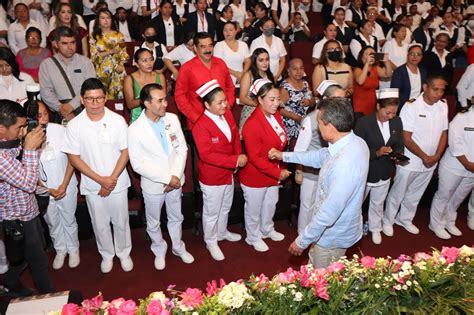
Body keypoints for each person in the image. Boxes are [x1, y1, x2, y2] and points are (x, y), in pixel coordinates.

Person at [268, 97, 369, 268]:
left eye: (319, 123)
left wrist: (302, 240)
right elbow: (320, 156)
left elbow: (329, 212)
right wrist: (284, 155)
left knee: (323, 282)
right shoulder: (355, 142)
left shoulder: (344, 164)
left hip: (332, 237)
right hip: (334, 231)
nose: (317, 127)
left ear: (330, 126)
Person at [62, 78, 133, 273]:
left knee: (121, 220)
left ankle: (124, 252)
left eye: (99, 98)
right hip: (92, 184)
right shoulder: (75, 125)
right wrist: (101, 180)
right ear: (82, 99)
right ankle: (107, 254)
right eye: (90, 99)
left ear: (105, 97)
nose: (95, 103)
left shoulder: (117, 120)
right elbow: (74, 158)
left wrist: (110, 179)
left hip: (117, 181)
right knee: (99, 223)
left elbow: (125, 152)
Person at [127, 83, 194, 270]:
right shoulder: (134, 129)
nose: (165, 103)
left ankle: (178, 247)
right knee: (154, 221)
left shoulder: (172, 118)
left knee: (176, 216)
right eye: (160, 100)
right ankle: (158, 248)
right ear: (147, 104)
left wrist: (175, 176)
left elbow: (182, 148)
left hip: (176, 180)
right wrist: (167, 178)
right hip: (154, 185)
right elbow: (138, 164)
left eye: (165, 99)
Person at [0, 99, 54, 296]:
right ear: (1, 129)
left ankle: (9, 279)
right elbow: (28, 183)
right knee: (38, 261)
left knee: (29, 253)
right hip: (16, 218)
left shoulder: (8, 141)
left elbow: (24, 165)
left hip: (29, 210)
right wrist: (30, 149)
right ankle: (50, 299)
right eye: (19, 127)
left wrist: (29, 145)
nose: (23, 132)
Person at [383, 74, 448, 236]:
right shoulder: (411, 106)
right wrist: (425, 156)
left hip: (431, 160)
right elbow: (406, 137)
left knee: (416, 193)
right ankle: (388, 220)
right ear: (425, 87)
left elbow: (444, 133)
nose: (439, 93)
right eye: (435, 89)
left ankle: (404, 219)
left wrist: (437, 156)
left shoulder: (443, 105)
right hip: (411, 160)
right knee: (398, 192)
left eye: (442, 90)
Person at [192, 79, 246, 261]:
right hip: (212, 176)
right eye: (220, 102)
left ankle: (222, 232)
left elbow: (235, 139)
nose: (225, 105)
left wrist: (238, 158)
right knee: (211, 211)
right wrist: (235, 160)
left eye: (225, 100)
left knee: (225, 207)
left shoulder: (228, 114)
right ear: (207, 105)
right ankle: (211, 240)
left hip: (229, 172)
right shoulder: (200, 126)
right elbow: (207, 155)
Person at [240, 79, 290, 253]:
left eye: (277, 99)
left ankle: (267, 229)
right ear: (260, 100)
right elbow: (254, 158)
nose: (276, 103)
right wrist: (277, 173)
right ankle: (252, 236)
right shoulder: (252, 124)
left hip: (273, 171)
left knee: (270, 203)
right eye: (271, 99)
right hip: (256, 176)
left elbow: (280, 141)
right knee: (254, 209)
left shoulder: (275, 115)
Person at [293, 80, 345, 234]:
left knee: (322, 205)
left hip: (331, 171)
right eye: (338, 99)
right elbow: (300, 149)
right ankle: (303, 234)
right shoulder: (311, 119)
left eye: (344, 99)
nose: (343, 103)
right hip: (311, 172)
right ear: (327, 99)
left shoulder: (342, 118)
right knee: (307, 205)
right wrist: (299, 171)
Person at [354, 88, 404, 244]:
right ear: (378, 107)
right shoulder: (364, 123)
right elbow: (356, 151)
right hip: (367, 171)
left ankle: (375, 228)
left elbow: (398, 143)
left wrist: (397, 154)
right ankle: (354, 228)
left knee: (378, 203)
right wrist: (377, 152)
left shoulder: (396, 121)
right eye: (387, 112)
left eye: (393, 113)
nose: (391, 116)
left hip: (385, 170)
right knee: (356, 204)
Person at [36, 101, 79, 269]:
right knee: (52, 221)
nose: (44, 118)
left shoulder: (60, 130)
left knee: (69, 219)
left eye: (45, 113)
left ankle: (74, 249)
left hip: (65, 184)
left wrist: (64, 184)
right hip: (43, 189)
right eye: (39, 115)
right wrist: (47, 189)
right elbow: (28, 167)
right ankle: (60, 250)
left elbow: (72, 159)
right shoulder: (26, 136)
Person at [429, 106, 474, 239]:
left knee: (459, 197)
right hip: (454, 165)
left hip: (472, 169)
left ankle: (449, 221)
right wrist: (467, 163)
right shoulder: (462, 118)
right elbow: (455, 142)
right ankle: (436, 224)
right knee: (444, 195)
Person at [175, 32, 235, 129]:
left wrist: (229, 104)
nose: (208, 50)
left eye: (210, 46)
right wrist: (196, 117)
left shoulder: (221, 63)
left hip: (224, 118)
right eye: (203, 47)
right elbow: (180, 97)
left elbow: (230, 86)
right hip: (199, 123)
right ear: (195, 48)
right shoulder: (187, 68)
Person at [39, 26, 96, 123]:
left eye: (73, 42)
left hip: (84, 109)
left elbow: (90, 88)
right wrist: (61, 109)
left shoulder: (85, 62)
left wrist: (71, 106)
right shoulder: (46, 64)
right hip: (58, 113)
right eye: (64, 43)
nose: (70, 47)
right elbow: (45, 91)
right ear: (56, 44)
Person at [89, 8, 128, 99]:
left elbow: (124, 54)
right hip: (102, 72)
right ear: (98, 20)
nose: (106, 20)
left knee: (119, 99)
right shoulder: (93, 36)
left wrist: (121, 65)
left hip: (118, 70)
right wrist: (110, 51)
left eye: (108, 18)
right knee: (103, 98)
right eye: (103, 18)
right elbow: (93, 57)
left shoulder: (119, 35)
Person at [124, 48, 166, 124]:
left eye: (151, 59)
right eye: (144, 61)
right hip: (138, 120)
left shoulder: (160, 77)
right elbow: (130, 104)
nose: (149, 63)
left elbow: (163, 99)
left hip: (157, 118)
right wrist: (147, 99)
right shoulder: (130, 79)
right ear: (136, 64)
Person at [238, 48, 275, 132]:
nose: (265, 63)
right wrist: (260, 105)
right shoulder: (248, 75)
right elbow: (242, 98)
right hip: (251, 112)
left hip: (267, 113)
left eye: (267, 59)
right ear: (255, 62)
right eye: (261, 60)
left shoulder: (269, 75)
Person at [279, 57, 315, 143]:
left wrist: (309, 102)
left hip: (302, 123)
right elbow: (279, 109)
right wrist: (295, 117)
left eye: (301, 68)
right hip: (289, 125)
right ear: (288, 70)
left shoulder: (306, 84)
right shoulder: (285, 87)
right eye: (295, 69)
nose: (299, 72)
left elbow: (313, 102)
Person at [353, 46, 393, 117]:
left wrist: (386, 61)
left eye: (372, 54)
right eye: (367, 54)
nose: (370, 56)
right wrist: (367, 64)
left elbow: (388, 74)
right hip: (359, 106)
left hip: (372, 104)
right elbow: (360, 81)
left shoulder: (375, 68)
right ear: (361, 57)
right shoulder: (357, 69)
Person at [214, 21, 251, 92]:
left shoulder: (243, 45)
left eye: (231, 30)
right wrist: (236, 73)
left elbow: (248, 61)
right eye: (225, 30)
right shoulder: (219, 45)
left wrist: (243, 74)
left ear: (236, 31)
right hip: (225, 81)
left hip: (241, 81)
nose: (228, 32)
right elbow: (218, 65)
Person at [390, 44, 427, 109]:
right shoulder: (399, 72)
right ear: (407, 55)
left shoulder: (423, 72)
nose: (415, 57)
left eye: (418, 54)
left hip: (419, 106)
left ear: (421, 58)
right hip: (403, 107)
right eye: (412, 54)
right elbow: (394, 93)